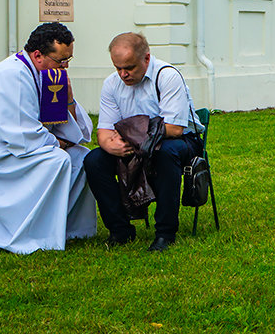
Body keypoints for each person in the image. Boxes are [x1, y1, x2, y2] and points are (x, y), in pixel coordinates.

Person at [0, 23, 94, 254]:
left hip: (13, 143)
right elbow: (18, 135)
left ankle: (68, 229)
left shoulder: (49, 74)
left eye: (68, 60)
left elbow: (73, 130)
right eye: (61, 61)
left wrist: (68, 99)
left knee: (82, 158)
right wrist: (58, 144)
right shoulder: (10, 76)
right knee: (57, 160)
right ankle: (19, 234)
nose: (65, 67)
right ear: (38, 55)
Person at [84, 32, 204, 251]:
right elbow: (103, 131)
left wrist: (130, 135)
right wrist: (111, 145)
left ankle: (165, 233)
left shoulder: (167, 76)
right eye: (117, 67)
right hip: (137, 143)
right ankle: (120, 230)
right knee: (94, 160)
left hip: (181, 141)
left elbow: (174, 129)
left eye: (129, 67)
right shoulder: (111, 84)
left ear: (146, 59)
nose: (123, 74)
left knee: (165, 153)